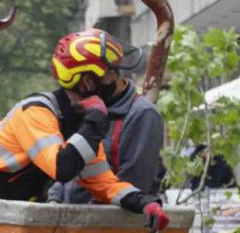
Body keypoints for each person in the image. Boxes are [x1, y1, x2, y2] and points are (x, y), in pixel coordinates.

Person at [0, 29, 168, 231]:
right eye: (110, 73)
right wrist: (93, 125)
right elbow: (62, 167)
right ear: (87, 82)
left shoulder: (77, 123)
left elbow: (104, 184)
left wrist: (145, 203)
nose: (117, 80)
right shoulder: (36, 112)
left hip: (9, 209)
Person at [54, 33, 164, 204]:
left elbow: (131, 185)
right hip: (67, 222)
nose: (80, 93)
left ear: (112, 74)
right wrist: (54, 201)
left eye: (87, 83)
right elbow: (67, 168)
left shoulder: (142, 115)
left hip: (106, 225)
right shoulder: (88, 109)